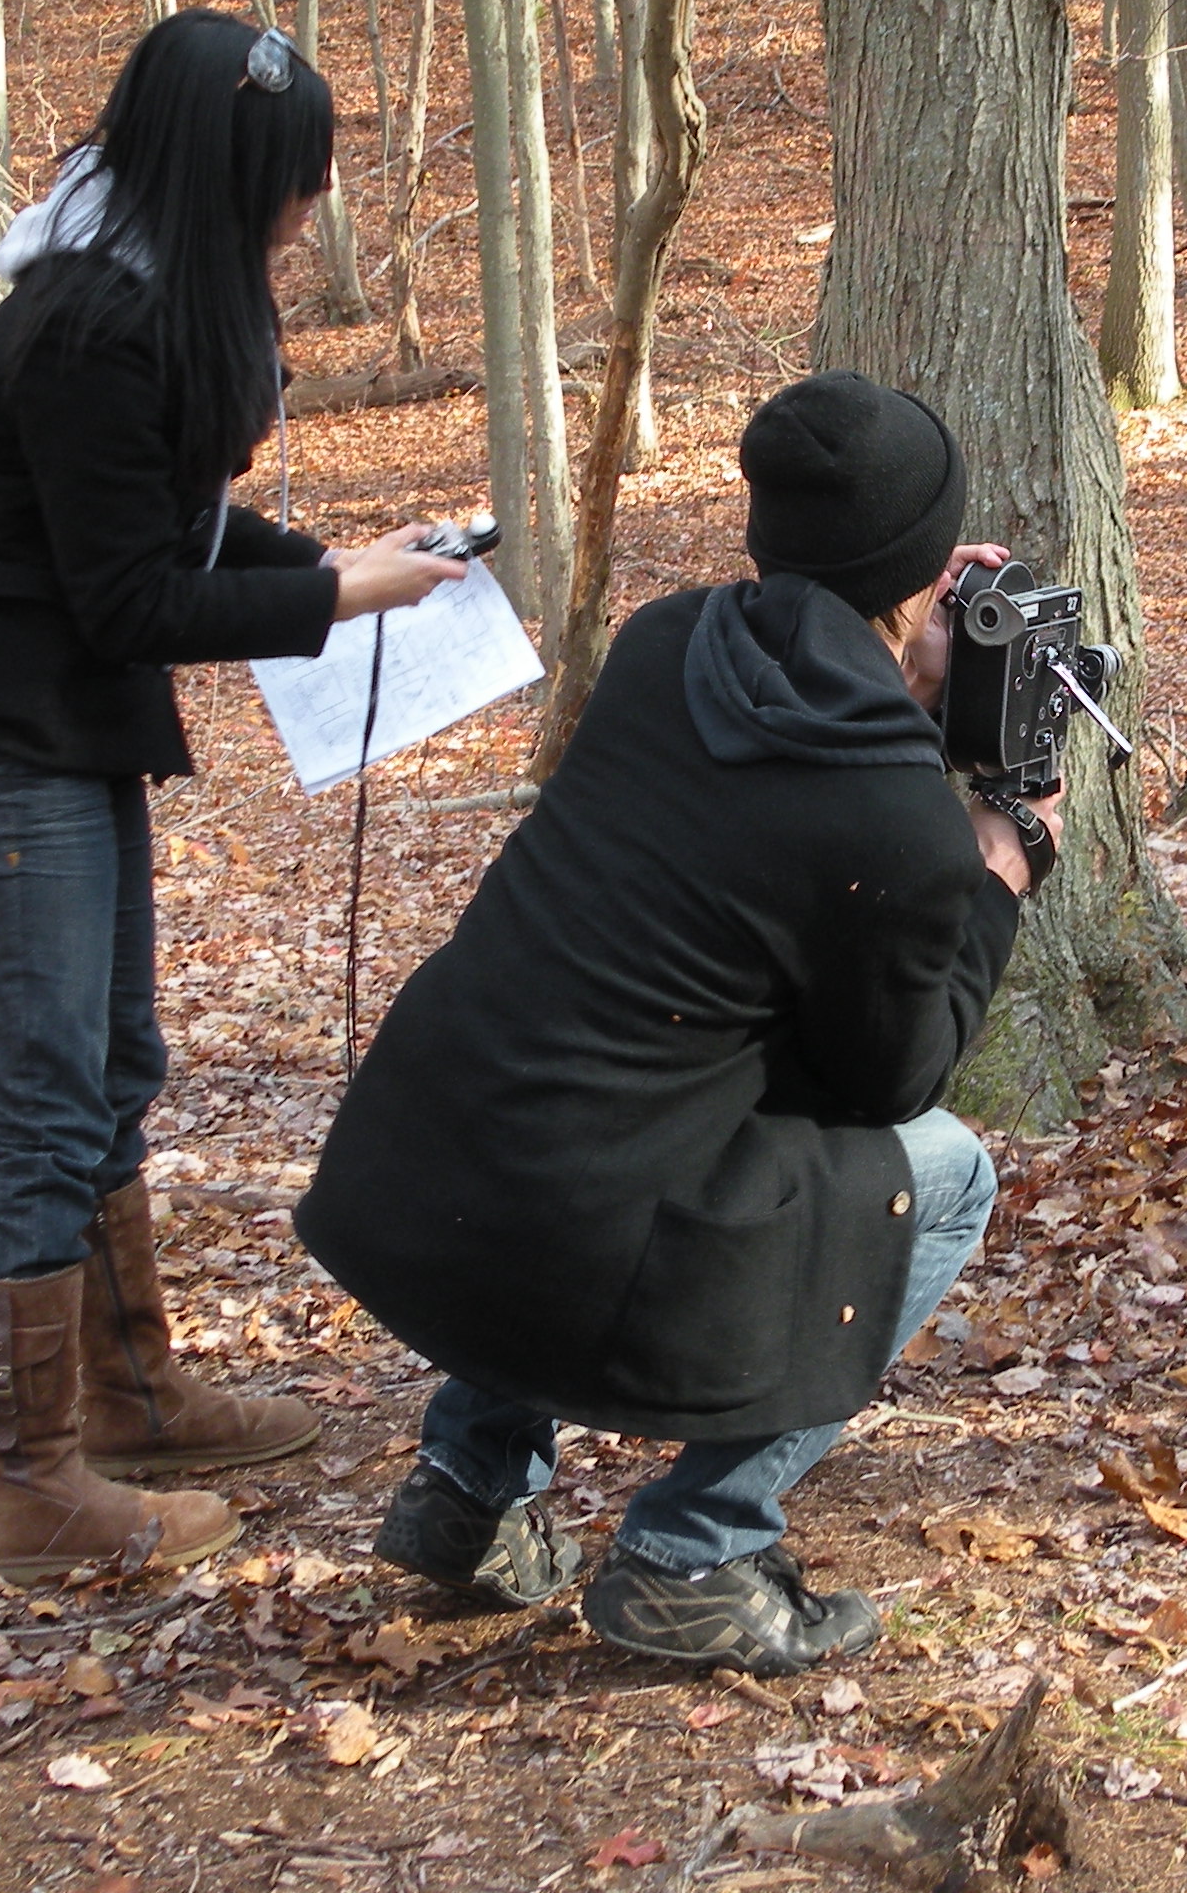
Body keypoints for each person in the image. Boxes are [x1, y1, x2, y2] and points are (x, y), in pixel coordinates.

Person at [296, 372, 1054, 1675]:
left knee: (619, 1096)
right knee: (947, 1174)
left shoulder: (668, 645)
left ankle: (469, 1495)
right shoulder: (895, 814)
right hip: (559, 1233)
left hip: (419, 1174)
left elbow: (773, 795)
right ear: (934, 574)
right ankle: (697, 1551)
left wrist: (902, 688)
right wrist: (994, 876)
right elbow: (891, 1080)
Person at [0, 9, 468, 1584]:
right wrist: (338, 594)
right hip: (1, 744)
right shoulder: (88, 327)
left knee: (117, 1063)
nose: (305, 211)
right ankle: (26, 1482)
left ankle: (129, 1396)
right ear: (226, 173)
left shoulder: (154, 293)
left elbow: (177, 533)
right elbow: (131, 597)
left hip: (66, 740)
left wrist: (372, 567)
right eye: (291, 180)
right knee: (48, 1107)